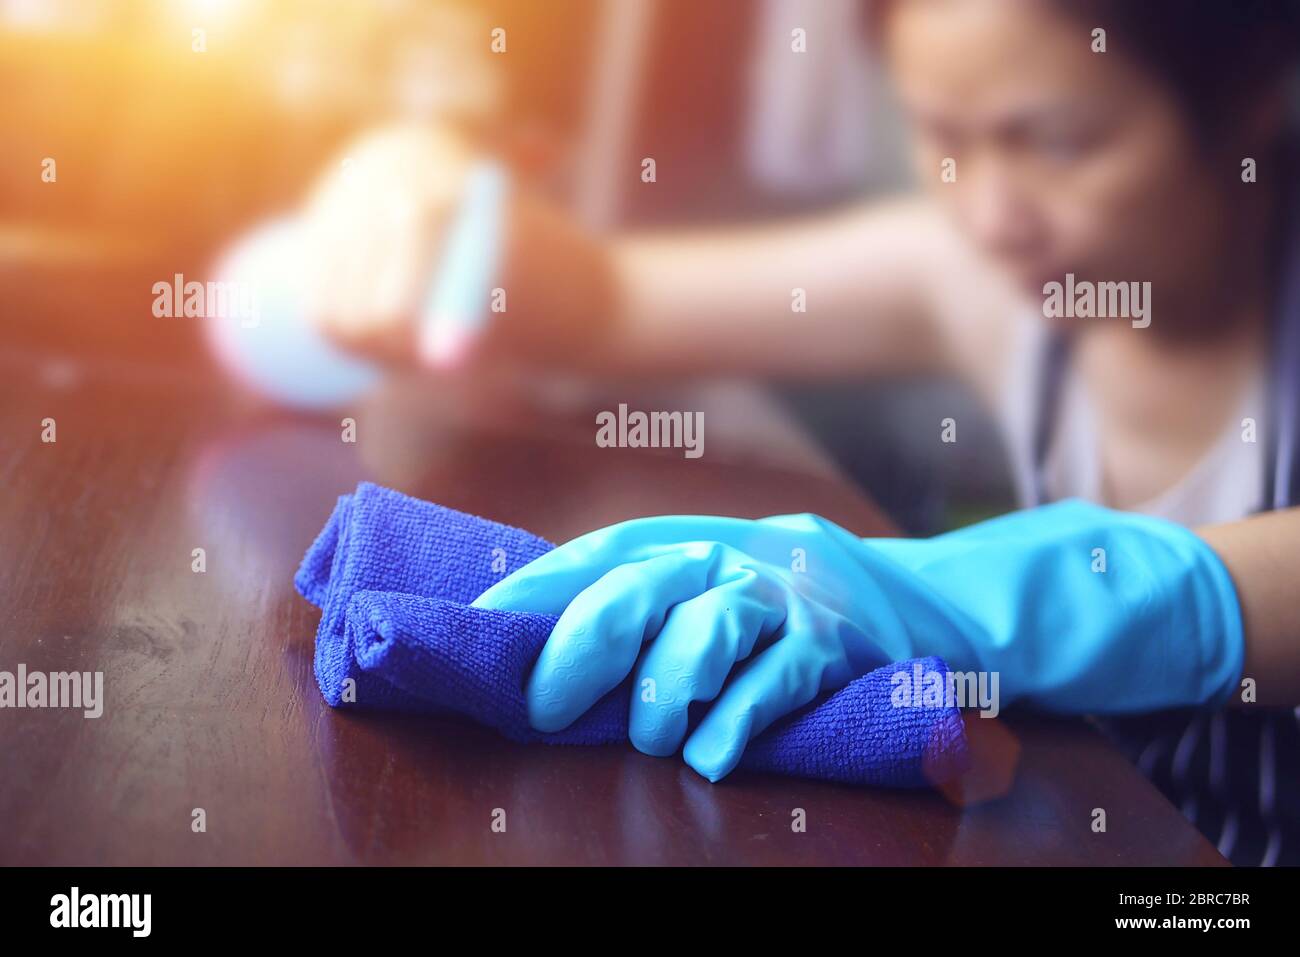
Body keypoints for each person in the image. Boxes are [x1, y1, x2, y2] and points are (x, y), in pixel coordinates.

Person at [299, 0, 1300, 864]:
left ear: (1258, 87)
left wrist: (951, 600)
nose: (992, 214)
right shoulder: (982, 281)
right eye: (941, 136)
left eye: (1060, 140)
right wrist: (426, 181)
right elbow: (602, 300)